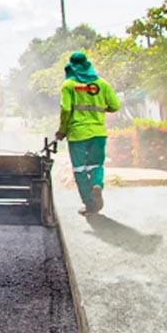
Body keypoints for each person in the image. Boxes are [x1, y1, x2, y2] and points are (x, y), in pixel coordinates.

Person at [55, 51, 121, 215]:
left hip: (78, 134)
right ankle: (97, 184)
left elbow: (66, 109)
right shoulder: (102, 84)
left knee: (80, 169)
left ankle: (89, 203)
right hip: (98, 133)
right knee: (96, 165)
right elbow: (115, 106)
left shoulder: (69, 85)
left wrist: (62, 131)